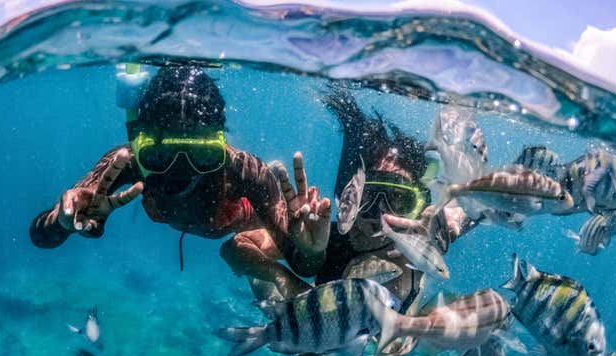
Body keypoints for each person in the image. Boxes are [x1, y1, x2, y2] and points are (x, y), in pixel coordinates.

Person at [29, 65, 330, 298]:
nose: (181, 170)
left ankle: (269, 226)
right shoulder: (124, 161)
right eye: (162, 156)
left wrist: (310, 249)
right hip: (213, 221)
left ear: (221, 146)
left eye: (202, 155)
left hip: (241, 218)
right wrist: (63, 222)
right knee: (237, 254)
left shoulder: (245, 170)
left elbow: (305, 267)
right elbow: (40, 236)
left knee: (238, 250)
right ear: (140, 144)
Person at [250, 90, 474, 310]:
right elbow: (237, 247)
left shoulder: (421, 240)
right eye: (369, 196)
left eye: (398, 199)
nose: (380, 215)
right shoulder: (323, 234)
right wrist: (308, 256)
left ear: (418, 206)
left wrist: (456, 216)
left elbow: (474, 207)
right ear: (351, 195)